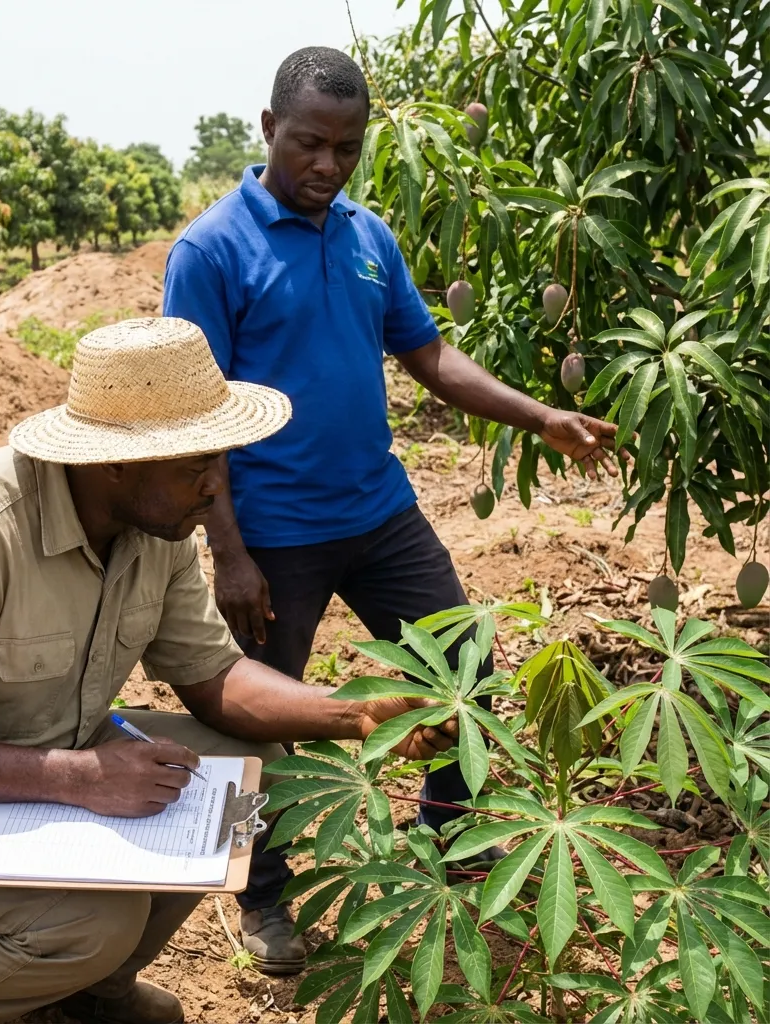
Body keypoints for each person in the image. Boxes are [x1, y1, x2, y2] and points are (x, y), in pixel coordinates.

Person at [0, 317, 460, 1024]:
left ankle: (83, 994)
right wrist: (77, 778)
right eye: (196, 466)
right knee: (91, 920)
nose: (216, 488)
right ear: (116, 463)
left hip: (27, 756)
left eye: (219, 461)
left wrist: (356, 712)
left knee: (253, 770)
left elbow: (214, 677)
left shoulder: (155, 525)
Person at [162, 45, 623, 974]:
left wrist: (541, 417)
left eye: (347, 147)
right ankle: (261, 895)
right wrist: (229, 552)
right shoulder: (210, 250)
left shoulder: (368, 236)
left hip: (380, 512)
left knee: (465, 673)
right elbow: (193, 412)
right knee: (260, 717)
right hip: (274, 532)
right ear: (268, 129)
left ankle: (448, 843)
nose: (326, 165)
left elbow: (429, 355)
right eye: (308, 143)